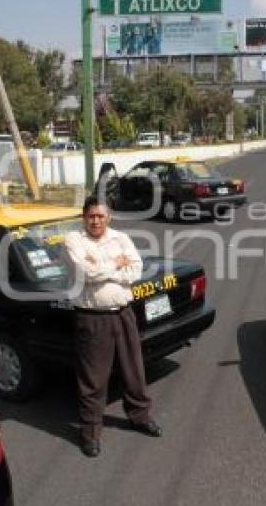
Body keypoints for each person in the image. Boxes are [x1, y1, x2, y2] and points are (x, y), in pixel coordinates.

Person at [64, 196, 161, 457]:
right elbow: (84, 273)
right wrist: (115, 265)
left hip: (123, 313)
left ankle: (140, 417)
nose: (96, 220)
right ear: (83, 218)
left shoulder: (121, 239)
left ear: (109, 217)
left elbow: (136, 269)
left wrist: (103, 269)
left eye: (101, 215)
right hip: (91, 318)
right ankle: (90, 433)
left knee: (134, 371)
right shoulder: (73, 240)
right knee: (93, 380)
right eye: (91, 216)